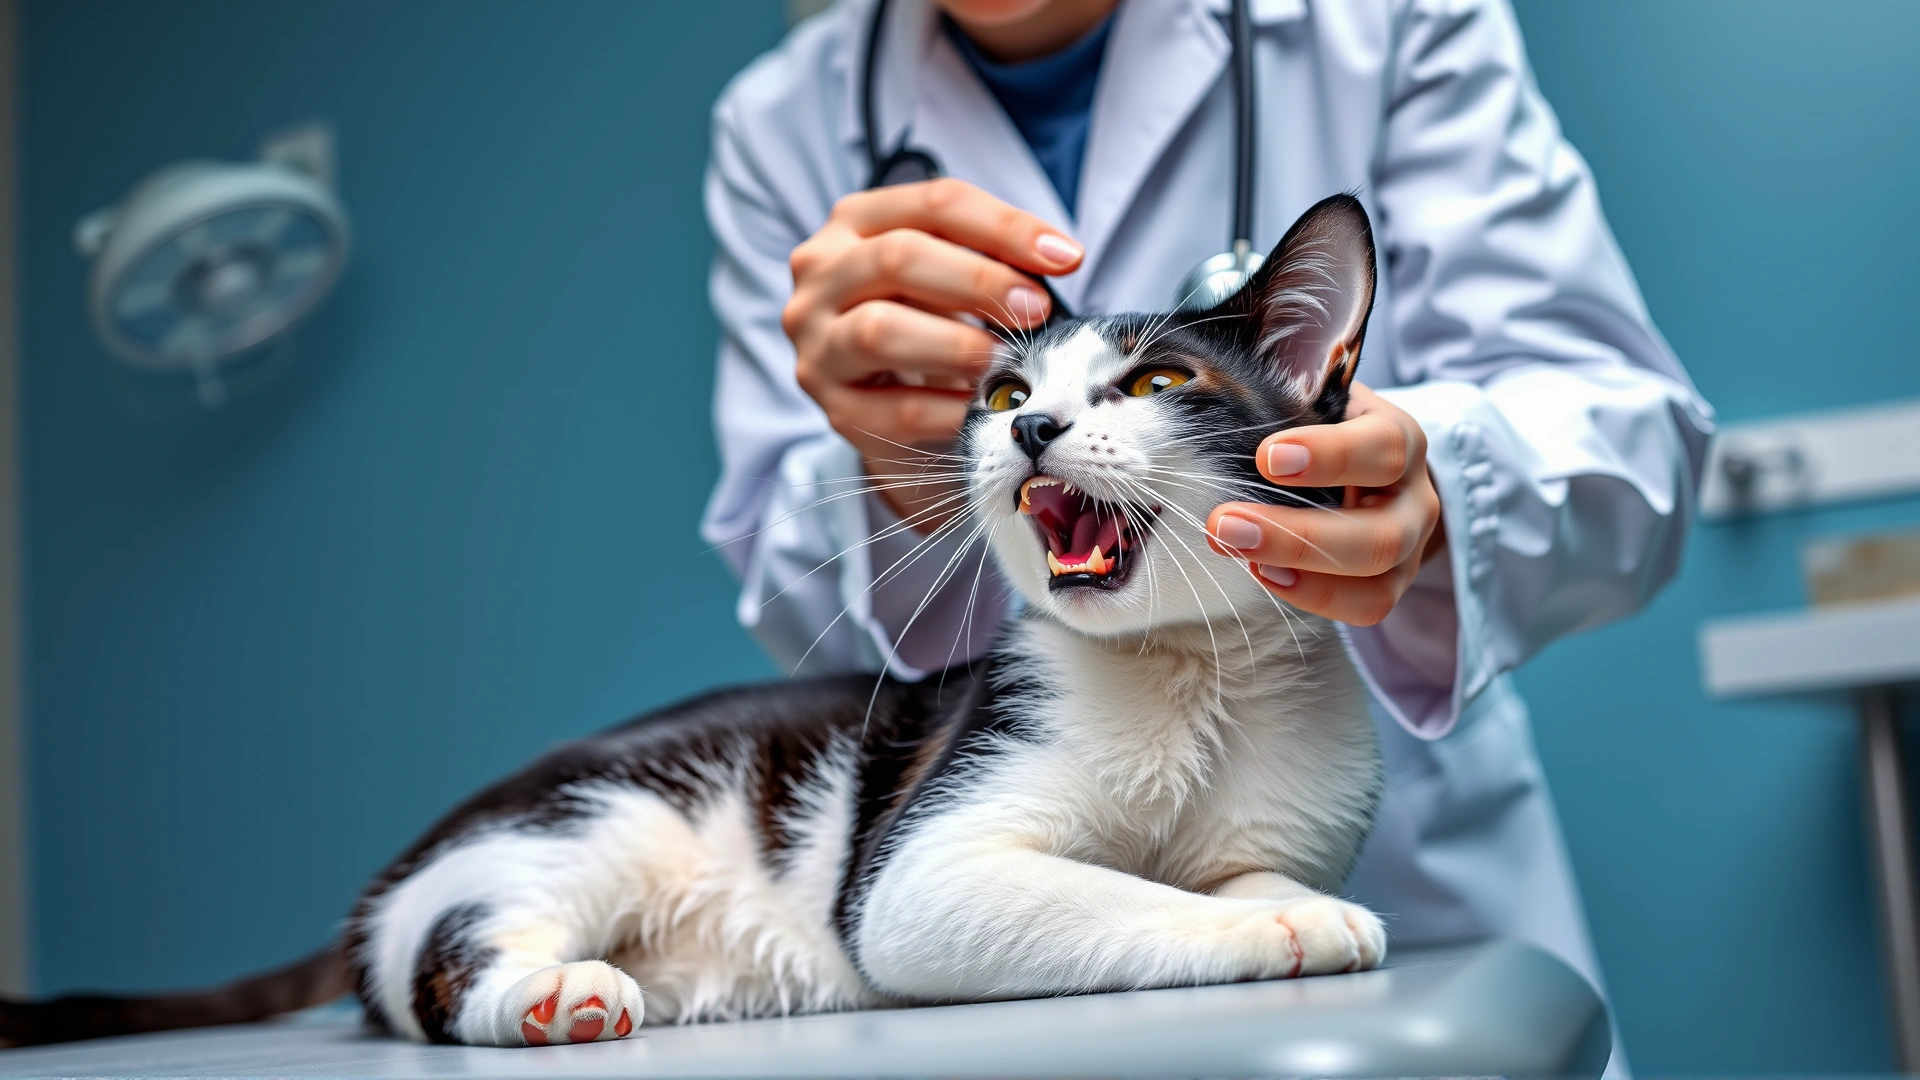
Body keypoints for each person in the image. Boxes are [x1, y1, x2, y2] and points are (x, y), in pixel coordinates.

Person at [700, 0, 1712, 1071]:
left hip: (1408, 902)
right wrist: (897, 473)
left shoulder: (1383, 21)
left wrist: (1435, 486)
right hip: (1004, 938)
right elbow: (794, 581)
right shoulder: (784, 124)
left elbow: (1636, 445)